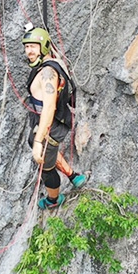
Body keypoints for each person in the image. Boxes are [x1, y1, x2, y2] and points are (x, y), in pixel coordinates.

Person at [22, 26, 86, 208]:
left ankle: (54, 200)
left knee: (46, 168)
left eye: (33, 47)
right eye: (26, 47)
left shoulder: (47, 74)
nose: (29, 51)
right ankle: (73, 176)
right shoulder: (52, 62)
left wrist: (39, 141)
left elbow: (49, 107)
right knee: (44, 149)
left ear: (43, 47)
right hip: (49, 123)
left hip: (50, 127)